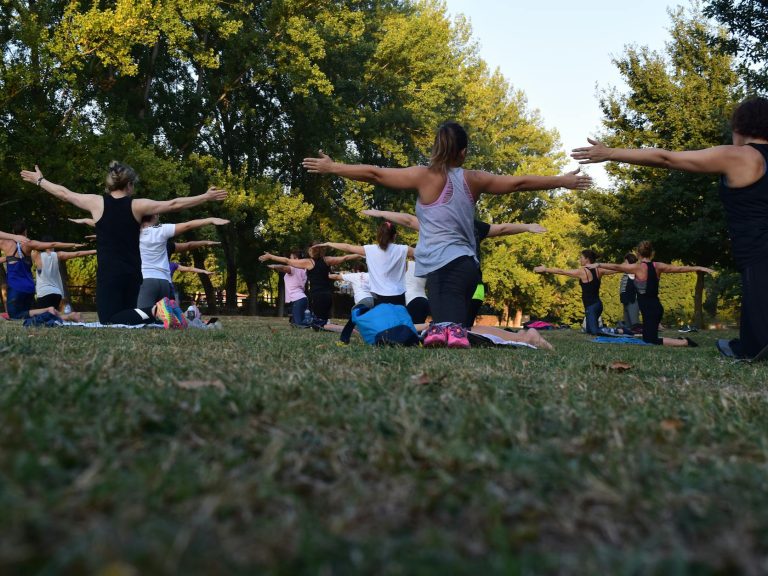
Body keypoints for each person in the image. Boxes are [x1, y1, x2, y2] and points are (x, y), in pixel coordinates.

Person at [304, 121, 591, 348]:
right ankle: (520, 337)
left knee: (451, 333)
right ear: (463, 152)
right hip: (467, 267)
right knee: (450, 331)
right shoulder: (474, 179)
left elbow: (375, 174)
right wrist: (561, 181)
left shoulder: (424, 176)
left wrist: (333, 168)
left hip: (446, 269)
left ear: (436, 148)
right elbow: (519, 183)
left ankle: (524, 338)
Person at [572, 96, 768, 358]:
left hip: (758, 255)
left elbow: (666, 158)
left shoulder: (741, 156)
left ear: (740, 127)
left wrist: (610, 153)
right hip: (756, 258)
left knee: (756, 347)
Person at [20, 162, 227, 322]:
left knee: (109, 319)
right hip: (133, 273)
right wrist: (205, 197)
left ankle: (156, 310)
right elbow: (173, 204)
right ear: (129, 185)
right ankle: (167, 314)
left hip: (110, 273)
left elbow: (64, 194)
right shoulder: (138, 205)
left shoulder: (96, 202)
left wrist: (40, 180)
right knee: (130, 317)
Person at [362, 208, 547, 327]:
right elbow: (502, 229)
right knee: (462, 325)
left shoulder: (444, 225)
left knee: (454, 324)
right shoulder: (474, 226)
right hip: (475, 283)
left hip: (456, 283)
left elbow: (410, 221)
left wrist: (382, 214)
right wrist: (527, 226)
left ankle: (457, 332)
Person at [588, 241, 713, 346]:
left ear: (638, 253)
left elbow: (615, 267)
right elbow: (680, 269)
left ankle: (685, 342)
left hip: (650, 309)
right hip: (654, 308)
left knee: (650, 340)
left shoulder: (636, 267)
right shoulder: (658, 266)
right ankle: (680, 341)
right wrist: (700, 268)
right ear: (652, 253)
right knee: (647, 338)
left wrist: (598, 264)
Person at [136, 215, 229, 308]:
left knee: (143, 315)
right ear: (155, 216)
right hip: (165, 282)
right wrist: (210, 221)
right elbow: (188, 234)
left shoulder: (132, 235)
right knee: (162, 318)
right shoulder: (162, 234)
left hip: (145, 280)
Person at [314, 221, 414, 306]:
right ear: (394, 236)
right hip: (399, 294)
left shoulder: (370, 249)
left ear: (378, 235)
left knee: (383, 325)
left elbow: (348, 247)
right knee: (399, 323)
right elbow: (423, 253)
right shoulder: (404, 249)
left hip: (380, 296)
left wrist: (328, 243)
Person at [259, 246, 362, 328]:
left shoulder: (308, 263)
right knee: (322, 322)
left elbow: (286, 261)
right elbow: (345, 257)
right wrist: (361, 254)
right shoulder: (327, 260)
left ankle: (348, 330)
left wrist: (271, 257)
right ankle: (344, 328)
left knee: (318, 324)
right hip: (327, 296)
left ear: (312, 252)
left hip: (317, 296)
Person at [0, 222, 84, 319]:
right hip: (30, 287)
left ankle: (48, 310)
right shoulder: (29, 244)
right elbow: (53, 244)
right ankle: (67, 316)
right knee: (26, 314)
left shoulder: (4, 243)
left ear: (13, 232)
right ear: (25, 232)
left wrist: (11, 240)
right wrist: (73, 244)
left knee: (14, 315)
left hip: (15, 287)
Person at [534, 250, 615, 335]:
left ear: (587, 259)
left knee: (594, 333)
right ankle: (607, 330)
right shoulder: (599, 270)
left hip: (591, 307)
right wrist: (626, 268)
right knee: (589, 331)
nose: (580, 259)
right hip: (597, 305)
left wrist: (545, 269)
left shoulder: (583, 271)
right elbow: (615, 269)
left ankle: (617, 331)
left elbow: (562, 271)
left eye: (581, 258)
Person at [31, 237, 96, 320]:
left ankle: (71, 316)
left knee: (44, 319)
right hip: (57, 293)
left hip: (44, 293)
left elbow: (30, 245)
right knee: (52, 317)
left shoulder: (36, 255)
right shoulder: (58, 255)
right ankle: (72, 316)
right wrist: (96, 251)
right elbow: (77, 253)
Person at [329, 264, 375, 344]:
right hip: (373, 300)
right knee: (368, 320)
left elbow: (336, 277)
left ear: (356, 270)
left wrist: (324, 275)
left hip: (362, 301)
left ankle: (344, 339)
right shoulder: (370, 275)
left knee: (353, 319)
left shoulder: (354, 275)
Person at [267, 250, 311, 327]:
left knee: (299, 324)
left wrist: (273, 266)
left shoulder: (294, 269)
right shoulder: (304, 270)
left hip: (297, 299)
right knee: (294, 323)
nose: (289, 260)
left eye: (291, 258)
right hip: (301, 299)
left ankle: (318, 323)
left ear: (296, 259)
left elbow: (283, 268)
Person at [619, 252, 641, 332]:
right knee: (628, 323)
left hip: (632, 300)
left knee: (634, 323)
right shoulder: (626, 272)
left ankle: (640, 333)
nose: (623, 264)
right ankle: (630, 332)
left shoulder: (633, 272)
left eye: (625, 262)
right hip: (625, 299)